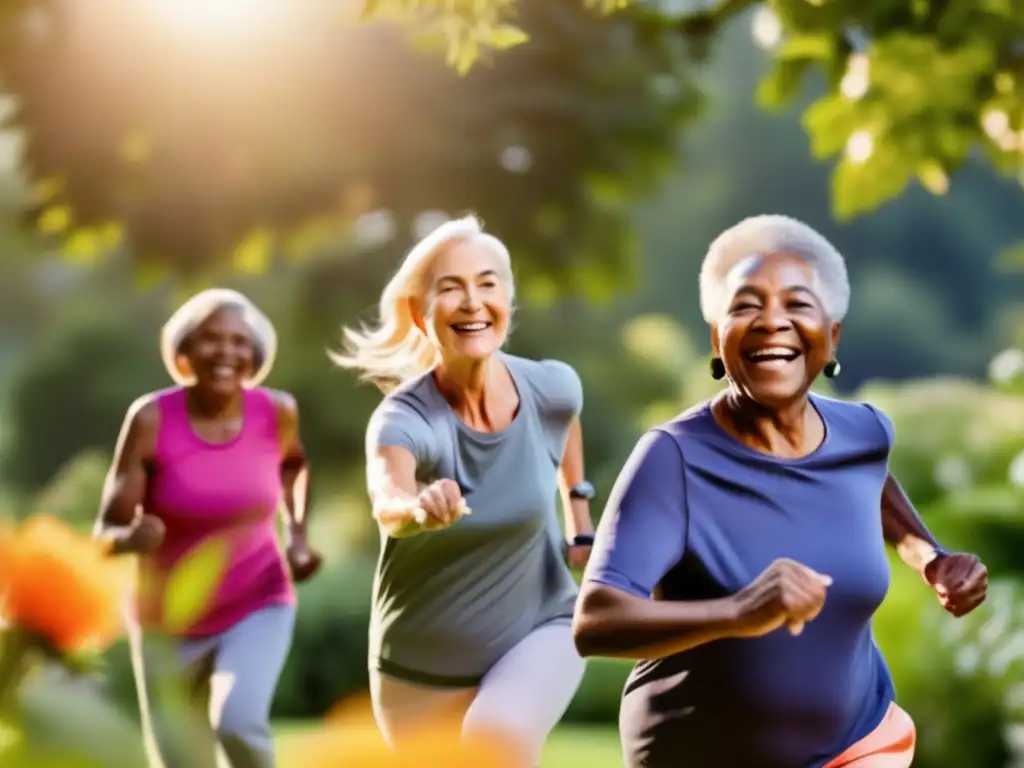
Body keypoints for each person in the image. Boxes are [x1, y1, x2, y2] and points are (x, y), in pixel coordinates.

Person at [573, 215, 989, 768]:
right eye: (746, 305)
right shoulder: (672, 457)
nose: (773, 321)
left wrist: (930, 557)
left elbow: (871, 484)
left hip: (859, 742)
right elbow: (596, 621)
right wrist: (739, 611)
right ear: (717, 341)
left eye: (797, 304)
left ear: (831, 336)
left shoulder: (863, 433)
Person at [331, 214, 596, 767]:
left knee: (494, 740)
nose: (473, 301)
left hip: (542, 627)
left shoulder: (551, 386)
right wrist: (417, 511)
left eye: (488, 283)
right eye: (450, 288)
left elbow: (567, 420)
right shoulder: (405, 419)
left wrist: (579, 514)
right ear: (419, 313)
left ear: (508, 299)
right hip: (417, 676)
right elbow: (387, 497)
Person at [94, 288, 322, 768]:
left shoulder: (276, 412)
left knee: (238, 722)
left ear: (255, 356)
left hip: (257, 601)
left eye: (240, 342)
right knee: (180, 761)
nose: (226, 352)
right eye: (211, 339)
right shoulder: (152, 418)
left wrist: (297, 535)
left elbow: (294, 467)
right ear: (185, 354)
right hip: (167, 621)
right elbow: (107, 528)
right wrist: (129, 537)